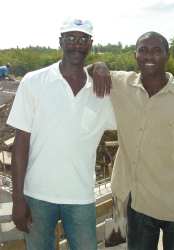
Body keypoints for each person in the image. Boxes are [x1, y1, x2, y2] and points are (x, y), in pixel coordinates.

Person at [91, 31, 174, 250]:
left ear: (167, 55)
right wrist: (98, 65)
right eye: (143, 50)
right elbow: (86, 72)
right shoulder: (122, 84)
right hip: (138, 205)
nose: (149, 56)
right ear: (135, 55)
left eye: (157, 50)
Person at [7, 18, 116, 250]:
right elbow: (20, 143)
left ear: (90, 44)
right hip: (37, 196)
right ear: (60, 42)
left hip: (81, 197)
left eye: (82, 39)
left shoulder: (102, 90)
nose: (76, 44)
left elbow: (139, 89)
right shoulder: (34, 82)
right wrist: (18, 199)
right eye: (71, 38)